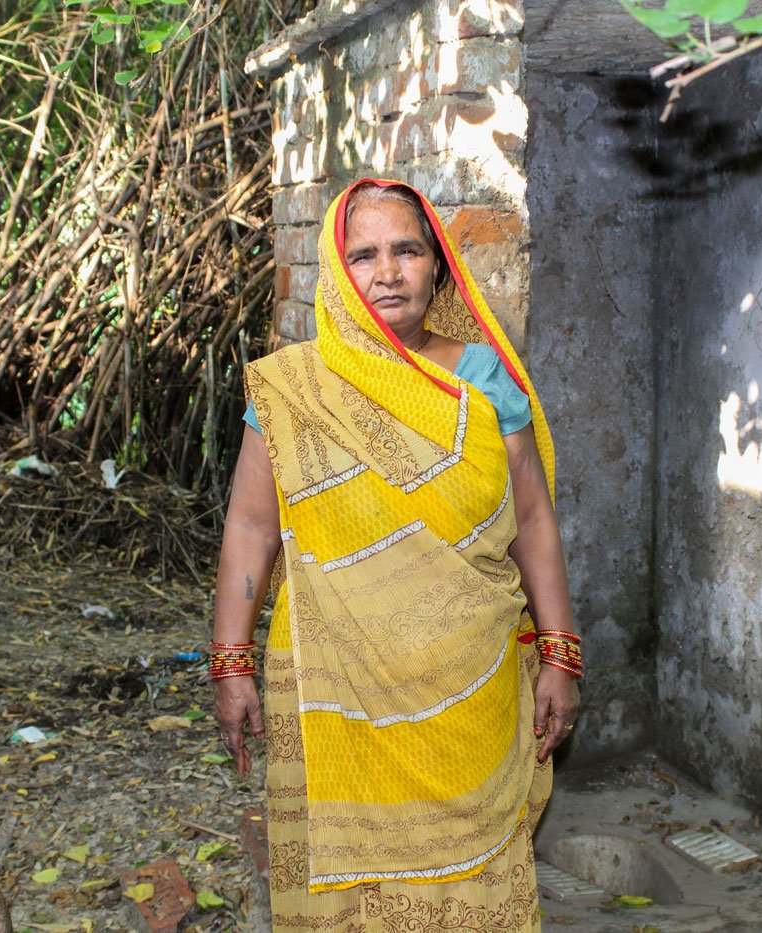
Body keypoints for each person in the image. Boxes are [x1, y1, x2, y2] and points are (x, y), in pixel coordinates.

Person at [210, 178, 582, 930]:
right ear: (336, 274)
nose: (387, 272)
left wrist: (560, 653)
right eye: (363, 255)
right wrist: (231, 660)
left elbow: (534, 517)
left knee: (470, 873)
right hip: (336, 688)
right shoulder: (292, 389)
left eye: (407, 249)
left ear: (438, 267)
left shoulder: (483, 377)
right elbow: (252, 528)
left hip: (468, 688)